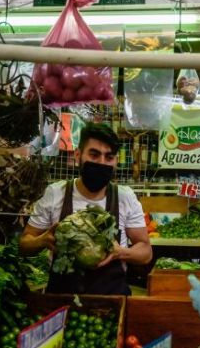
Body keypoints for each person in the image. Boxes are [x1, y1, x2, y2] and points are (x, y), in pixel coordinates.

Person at [20, 123, 151, 294]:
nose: (102, 163)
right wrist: (42, 240)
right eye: (94, 154)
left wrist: (120, 252)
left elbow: (146, 252)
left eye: (109, 157)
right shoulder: (55, 193)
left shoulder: (125, 197)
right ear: (78, 155)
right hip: (62, 300)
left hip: (112, 300)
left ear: (115, 161)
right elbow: (24, 245)